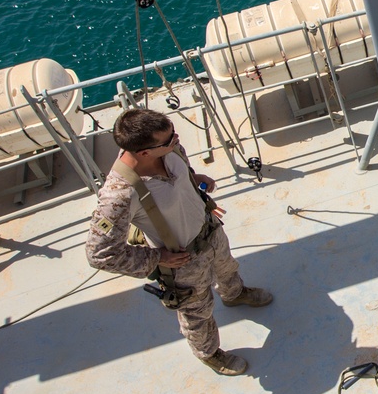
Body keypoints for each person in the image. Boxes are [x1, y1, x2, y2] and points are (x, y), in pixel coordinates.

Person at [86, 109, 272, 376]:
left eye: (172, 133)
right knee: (197, 313)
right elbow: (99, 253)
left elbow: (181, 167)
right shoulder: (119, 195)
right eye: (168, 139)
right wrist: (156, 258)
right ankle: (209, 353)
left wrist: (194, 180)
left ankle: (234, 294)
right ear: (145, 153)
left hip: (209, 231)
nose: (176, 140)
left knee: (227, 267)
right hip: (183, 260)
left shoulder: (169, 147)